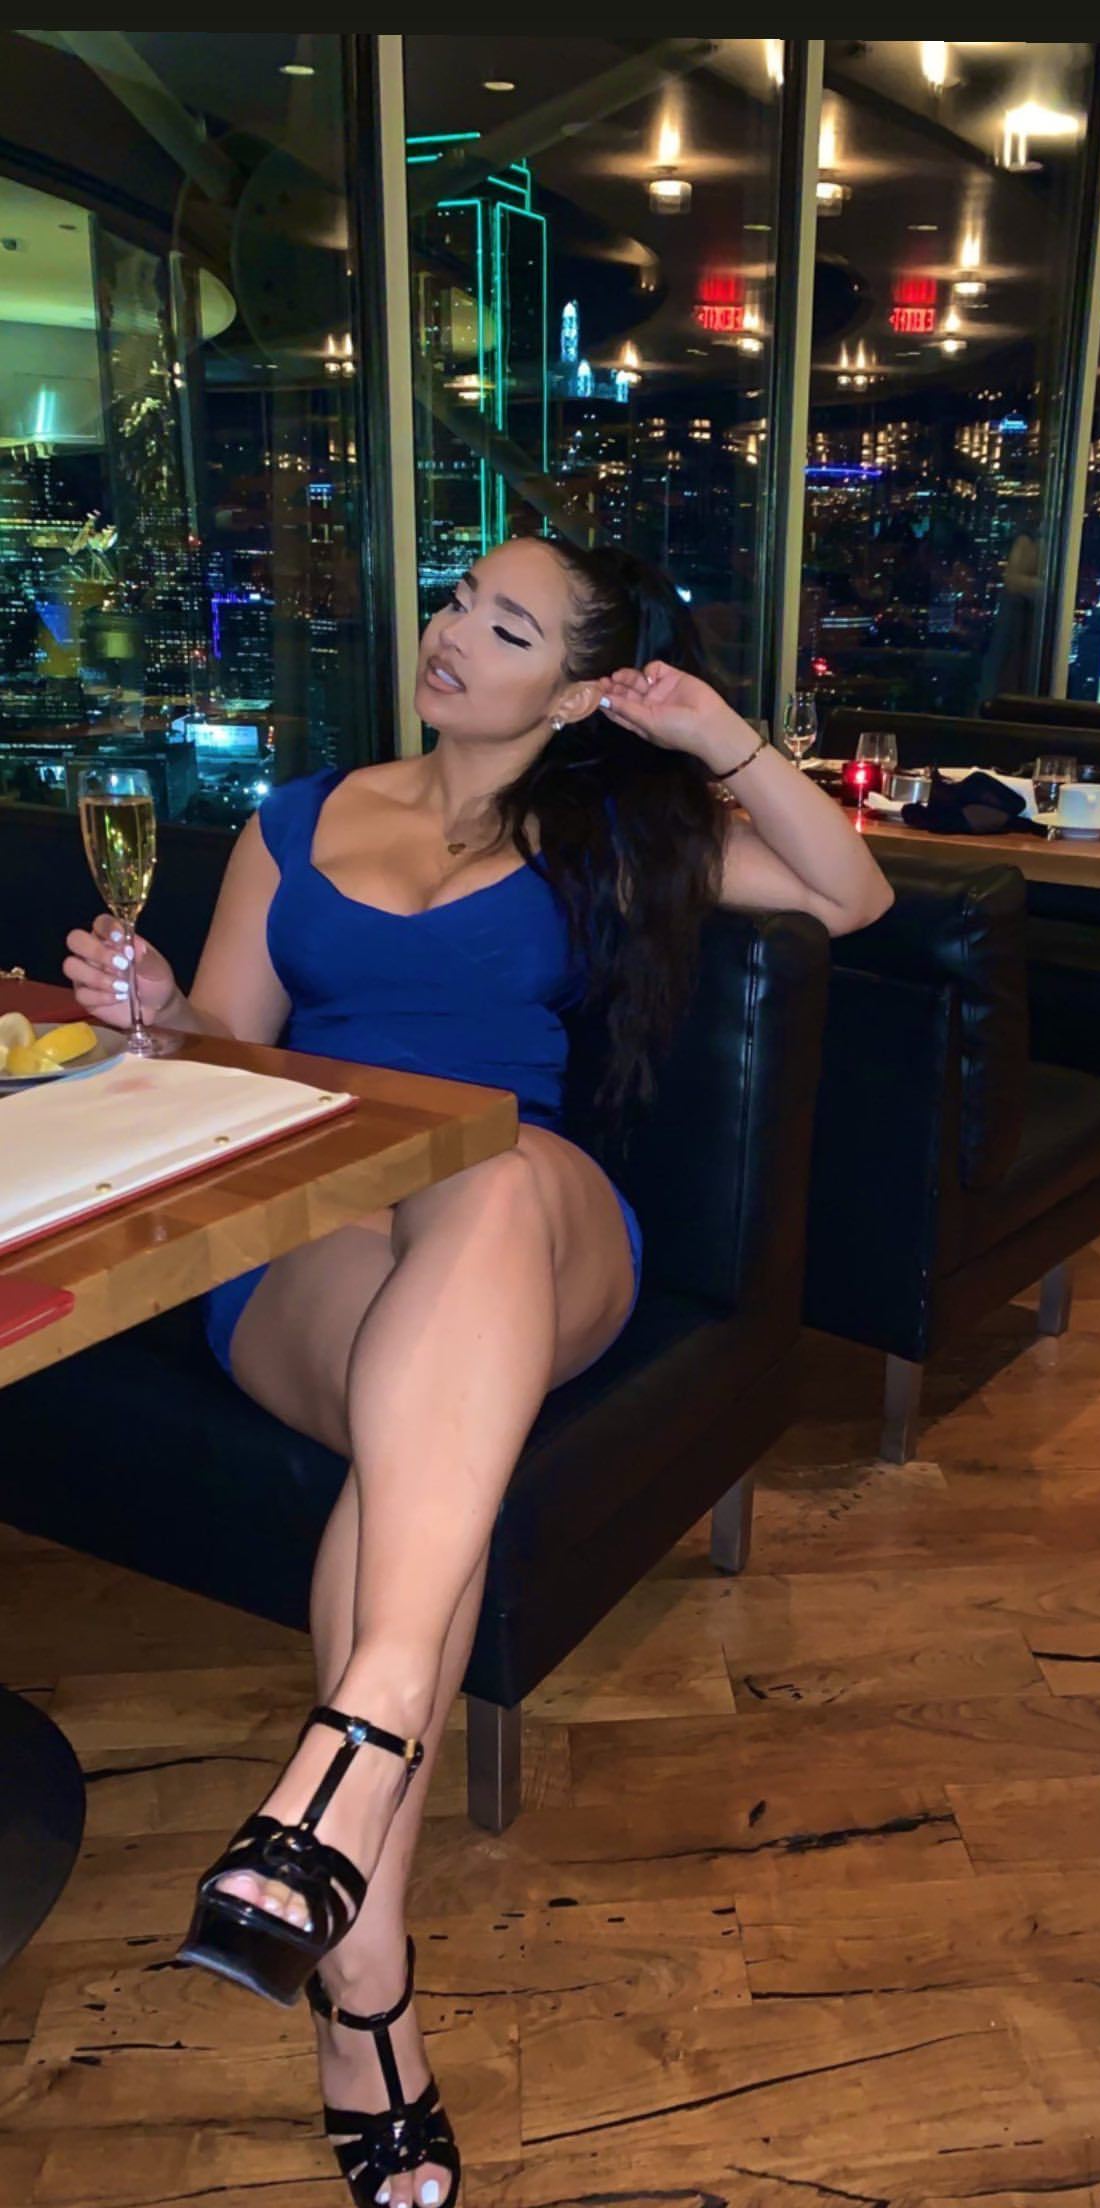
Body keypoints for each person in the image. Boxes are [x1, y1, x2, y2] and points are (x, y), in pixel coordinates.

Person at [65, 534, 893, 2208]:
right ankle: (362, 1963)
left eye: (506, 627)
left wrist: (710, 731)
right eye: (457, 601)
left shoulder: (612, 831)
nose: (450, 634)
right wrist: (152, 1013)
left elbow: (848, 895)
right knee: (415, 1453)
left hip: (534, 1223)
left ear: (576, 690)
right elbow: (224, 1050)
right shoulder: (296, 819)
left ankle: (362, 1740)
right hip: (316, 1233)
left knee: (491, 1171)